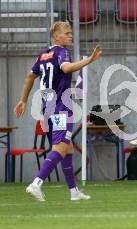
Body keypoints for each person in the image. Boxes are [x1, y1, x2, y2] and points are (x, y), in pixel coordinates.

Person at [14, 21, 102, 201]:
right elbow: (66, 68)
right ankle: (36, 183)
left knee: (66, 148)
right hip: (61, 107)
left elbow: (30, 76)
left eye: (71, 33)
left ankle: (73, 191)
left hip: (47, 109)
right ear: (56, 36)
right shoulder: (62, 52)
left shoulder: (44, 54)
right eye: (67, 33)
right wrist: (89, 60)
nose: (70, 35)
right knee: (60, 148)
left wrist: (23, 100)